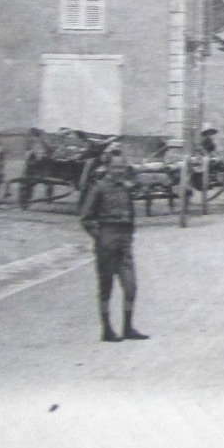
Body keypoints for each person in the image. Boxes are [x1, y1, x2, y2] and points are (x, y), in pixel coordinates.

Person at [79, 144, 147, 343]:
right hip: (106, 240)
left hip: (124, 240)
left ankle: (128, 327)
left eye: (122, 168)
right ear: (107, 168)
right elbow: (85, 218)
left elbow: (131, 215)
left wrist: (129, 235)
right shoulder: (98, 188)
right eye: (115, 168)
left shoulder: (125, 189)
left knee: (131, 286)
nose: (119, 172)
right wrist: (99, 236)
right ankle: (107, 329)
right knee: (106, 287)